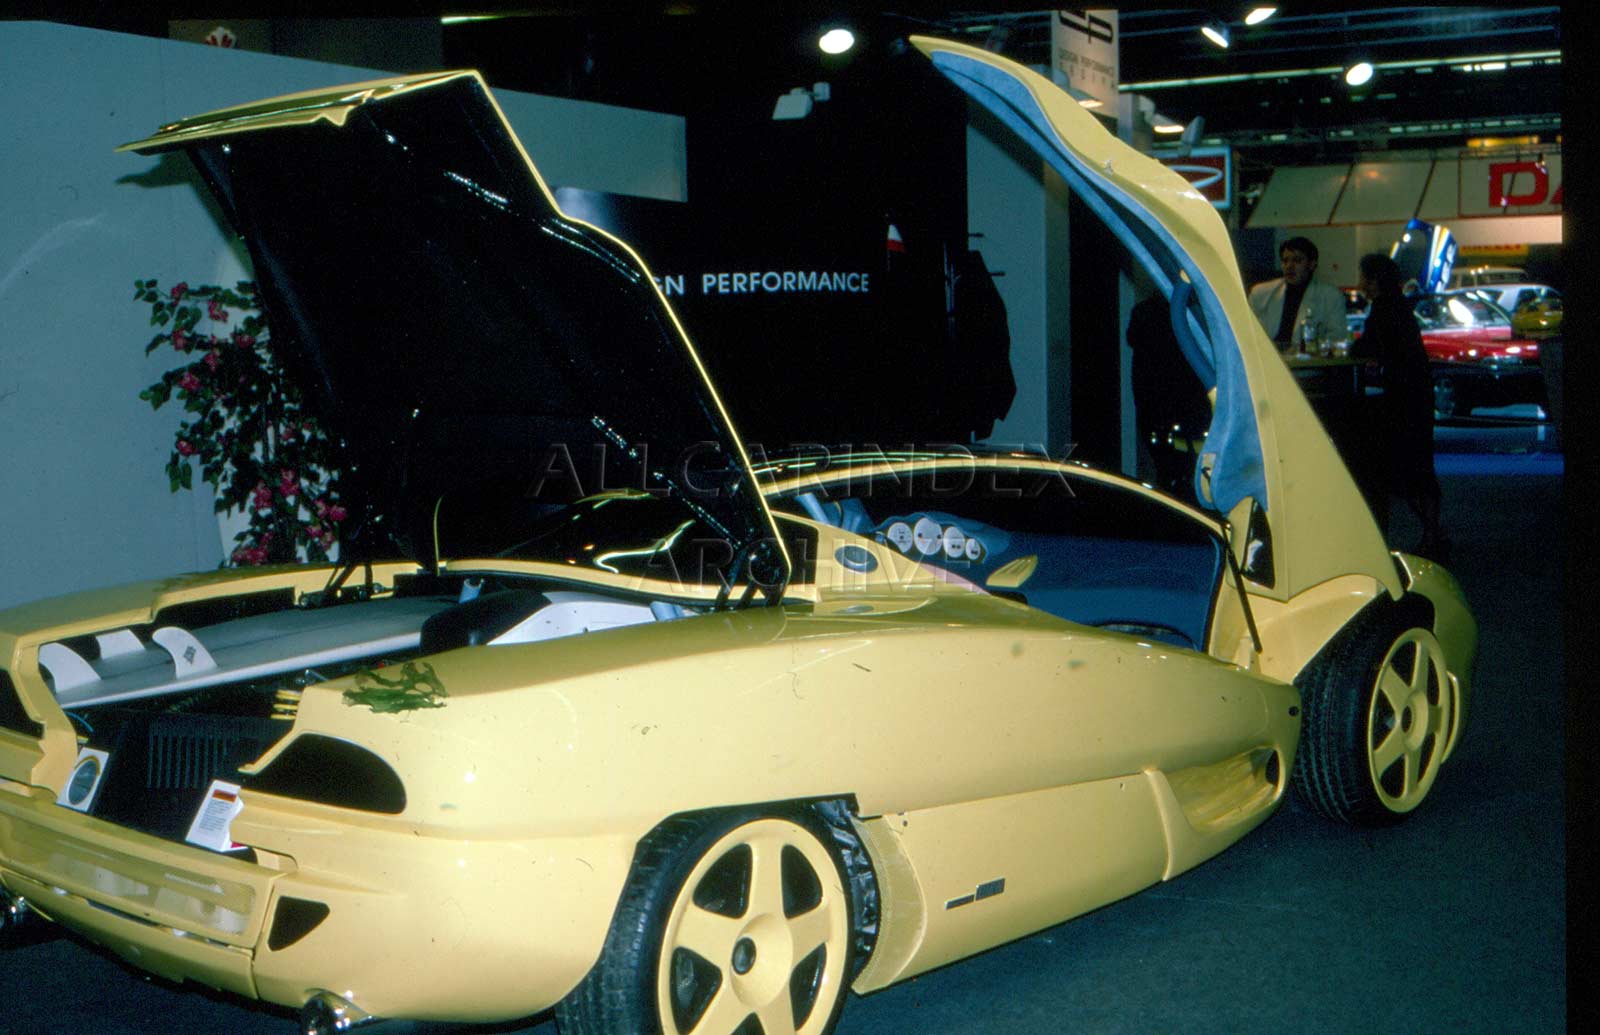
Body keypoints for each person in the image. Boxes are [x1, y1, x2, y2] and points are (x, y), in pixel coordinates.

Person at [1351, 252, 1448, 559]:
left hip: (1403, 399)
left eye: (1364, 278)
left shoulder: (1384, 309)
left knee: (1411, 469)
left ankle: (1432, 535)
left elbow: (1367, 347)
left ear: (1375, 280)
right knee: (1419, 468)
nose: (1361, 284)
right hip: (1415, 395)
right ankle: (1433, 533)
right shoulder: (1398, 306)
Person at [1127, 291, 1211, 502]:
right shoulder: (1193, 313)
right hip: (1185, 408)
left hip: (1157, 411)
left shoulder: (1146, 313)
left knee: (1167, 474)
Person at [1248, 237, 1348, 351]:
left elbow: (1337, 338)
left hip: (1309, 360)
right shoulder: (1261, 293)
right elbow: (1248, 332)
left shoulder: (1331, 296)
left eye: (1297, 260)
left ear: (1312, 264)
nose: (1289, 266)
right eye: (1285, 261)